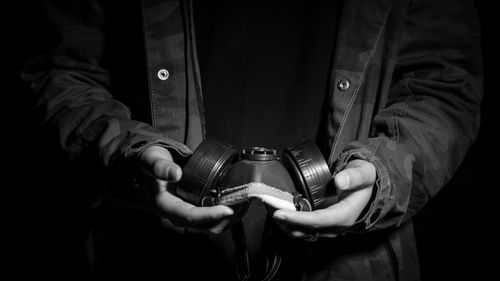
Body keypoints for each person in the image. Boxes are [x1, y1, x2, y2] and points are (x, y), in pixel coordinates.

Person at [20, 0, 482, 280]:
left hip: (355, 265)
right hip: (149, 260)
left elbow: (442, 83)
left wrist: (382, 177)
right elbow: (61, 70)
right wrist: (128, 156)